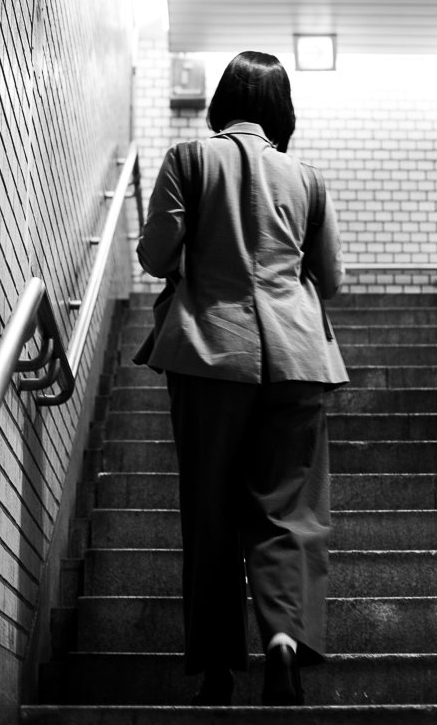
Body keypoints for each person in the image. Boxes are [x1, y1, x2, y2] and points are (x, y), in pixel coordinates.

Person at [135, 51, 348, 706]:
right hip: (298, 361)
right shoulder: (307, 179)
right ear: (282, 111)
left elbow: (153, 256)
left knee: (211, 509)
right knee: (289, 508)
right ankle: (283, 638)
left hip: (209, 353)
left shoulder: (188, 160)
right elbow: (332, 282)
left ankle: (218, 668)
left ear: (221, 100)